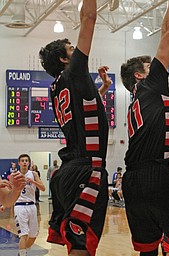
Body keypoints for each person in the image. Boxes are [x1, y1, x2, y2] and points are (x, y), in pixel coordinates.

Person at [120, 0, 169, 255]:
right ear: (141, 75)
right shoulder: (151, 85)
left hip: (132, 181)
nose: (156, 67)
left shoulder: (136, 100)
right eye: (149, 66)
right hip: (156, 174)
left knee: (148, 249)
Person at [39, 1, 111, 255]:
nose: (76, 50)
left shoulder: (56, 87)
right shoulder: (74, 72)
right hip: (86, 168)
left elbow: (83, 111)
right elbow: (89, 18)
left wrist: (101, 90)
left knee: (78, 243)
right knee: (82, 245)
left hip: (69, 170)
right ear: (64, 59)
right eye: (71, 49)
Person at [14, 154, 45, 256]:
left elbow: (43, 188)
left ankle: (22, 252)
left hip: (32, 206)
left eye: (26, 160)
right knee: (24, 234)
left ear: (29, 163)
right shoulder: (15, 175)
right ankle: (23, 254)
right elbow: (10, 192)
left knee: (33, 236)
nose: (24, 162)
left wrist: (33, 181)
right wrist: (4, 205)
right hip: (19, 206)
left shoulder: (33, 174)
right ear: (19, 163)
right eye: (22, 160)